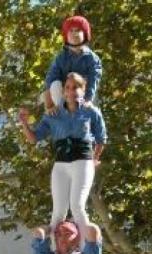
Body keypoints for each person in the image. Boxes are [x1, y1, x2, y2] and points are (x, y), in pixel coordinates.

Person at [20, 73, 107, 239]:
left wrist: (94, 159)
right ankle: (57, 249)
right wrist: (24, 123)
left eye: (76, 87)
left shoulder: (90, 112)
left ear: (83, 90)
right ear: (63, 92)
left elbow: (101, 139)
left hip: (82, 161)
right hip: (61, 165)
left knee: (77, 206)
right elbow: (33, 138)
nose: (71, 91)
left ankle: (86, 247)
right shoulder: (53, 114)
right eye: (67, 87)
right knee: (58, 211)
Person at [42, 16, 103, 110]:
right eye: (71, 31)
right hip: (65, 97)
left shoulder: (93, 59)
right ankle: (63, 111)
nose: (74, 33)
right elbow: (50, 79)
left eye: (78, 30)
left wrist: (88, 100)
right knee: (55, 84)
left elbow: (93, 81)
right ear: (66, 35)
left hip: (84, 96)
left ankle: (85, 113)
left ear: (85, 34)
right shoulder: (61, 58)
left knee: (91, 98)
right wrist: (49, 106)